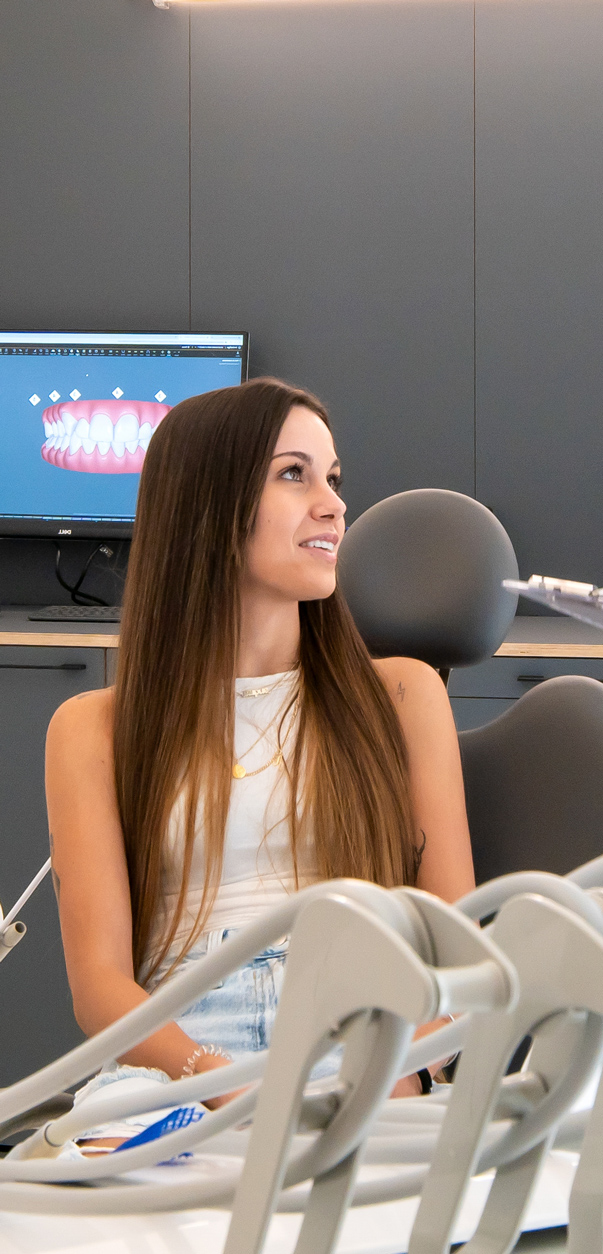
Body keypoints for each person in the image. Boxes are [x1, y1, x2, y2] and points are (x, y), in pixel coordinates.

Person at [46, 378, 475, 1148]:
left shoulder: (402, 694)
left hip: (361, 1031)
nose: (333, 505)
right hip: (175, 1054)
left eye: (333, 479)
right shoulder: (93, 727)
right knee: (107, 1191)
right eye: (293, 474)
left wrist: (403, 1065)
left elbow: (454, 944)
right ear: (208, 508)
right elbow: (102, 988)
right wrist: (220, 1082)